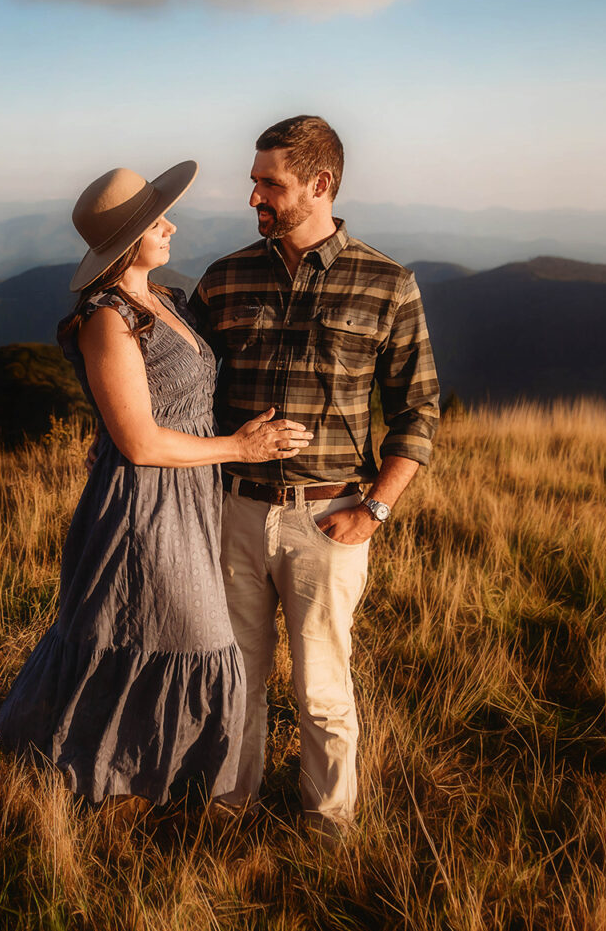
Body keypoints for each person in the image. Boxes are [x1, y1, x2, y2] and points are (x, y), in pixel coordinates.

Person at [0, 160, 315, 807]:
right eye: (154, 220)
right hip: (146, 505)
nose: (170, 224)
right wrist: (239, 446)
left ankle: (147, 792)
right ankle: (103, 779)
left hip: (191, 495)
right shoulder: (105, 319)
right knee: (192, 637)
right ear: (124, 242)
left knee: (152, 633)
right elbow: (138, 439)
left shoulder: (166, 300)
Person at [192, 116, 440, 835]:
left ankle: (329, 834)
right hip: (233, 511)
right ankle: (226, 813)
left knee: (323, 690)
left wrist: (376, 509)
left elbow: (418, 411)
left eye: (270, 183)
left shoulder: (387, 284)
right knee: (233, 678)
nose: (254, 198)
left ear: (319, 185)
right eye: (255, 182)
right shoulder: (226, 277)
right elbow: (185, 387)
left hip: (328, 519)